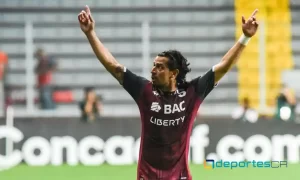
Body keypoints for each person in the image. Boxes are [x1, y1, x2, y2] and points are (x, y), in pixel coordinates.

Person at [78, 6, 259, 180]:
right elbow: (115, 67)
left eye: (159, 67)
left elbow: (223, 66)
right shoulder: (144, 90)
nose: (153, 70)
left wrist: (244, 38)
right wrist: (90, 33)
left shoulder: (192, 92)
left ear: (173, 73)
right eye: (153, 65)